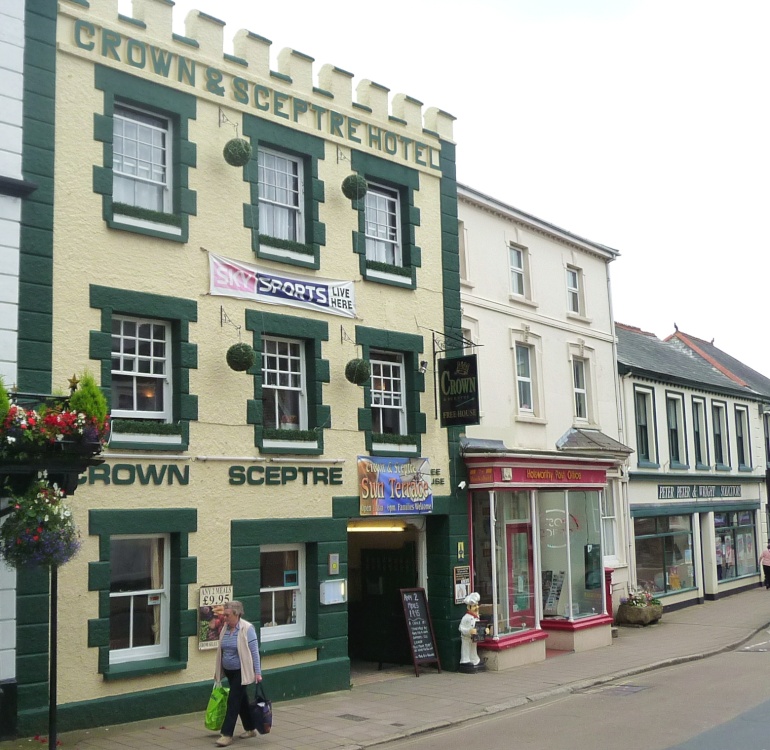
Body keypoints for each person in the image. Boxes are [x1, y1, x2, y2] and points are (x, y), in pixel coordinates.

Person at [213, 601, 262, 747]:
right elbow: (222, 651)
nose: (225, 618)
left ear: (237, 614)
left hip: (242, 671)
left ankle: (226, 734)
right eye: (224, 615)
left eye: (227, 615)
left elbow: (254, 652)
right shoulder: (225, 628)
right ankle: (251, 728)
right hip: (229, 671)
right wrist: (219, 671)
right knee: (241, 701)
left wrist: (258, 672)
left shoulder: (247, 629)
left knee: (233, 701)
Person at [458, 592, 489, 670]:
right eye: (474, 606)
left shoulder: (476, 616)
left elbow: (479, 626)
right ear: (469, 607)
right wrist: (469, 631)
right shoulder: (466, 618)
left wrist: (484, 630)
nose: (477, 607)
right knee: (466, 649)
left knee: (473, 649)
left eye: (477, 605)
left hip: (474, 638)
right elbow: (461, 628)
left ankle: (474, 659)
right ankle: (465, 660)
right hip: (466, 638)